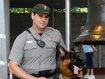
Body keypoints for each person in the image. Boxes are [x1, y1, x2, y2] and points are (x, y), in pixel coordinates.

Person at [8, 3, 66, 79]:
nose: (43, 20)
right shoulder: (22, 37)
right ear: (32, 15)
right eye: (40, 16)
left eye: (46, 17)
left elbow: (66, 56)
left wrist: (76, 69)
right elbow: (12, 66)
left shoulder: (56, 34)